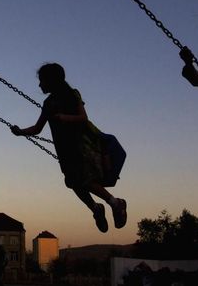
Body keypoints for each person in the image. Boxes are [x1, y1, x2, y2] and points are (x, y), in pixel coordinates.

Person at [10, 63, 127, 232]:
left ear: (52, 80)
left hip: (81, 145)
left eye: (42, 80)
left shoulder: (72, 95)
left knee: (85, 179)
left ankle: (116, 203)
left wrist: (64, 117)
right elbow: (37, 128)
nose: (39, 85)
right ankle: (96, 209)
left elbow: (83, 118)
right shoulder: (48, 103)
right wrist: (20, 132)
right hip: (64, 150)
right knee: (73, 182)